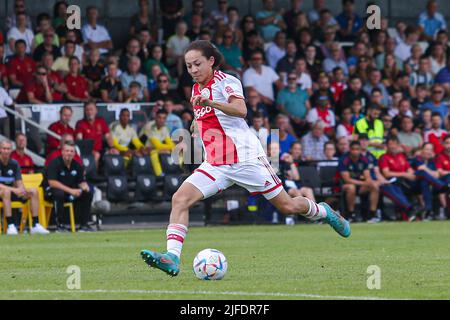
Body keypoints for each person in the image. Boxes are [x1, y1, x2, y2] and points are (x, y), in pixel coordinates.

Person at [140, 40, 351, 276]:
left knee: (288, 206)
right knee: (180, 198)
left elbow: (241, 110)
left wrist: (211, 103)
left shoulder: (227, 81)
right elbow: (203, 117)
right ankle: (172, 257)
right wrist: (195, 124)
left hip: (246, 159)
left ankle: (324, 212)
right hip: (216, 163)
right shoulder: (196, 89)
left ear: (211, 61)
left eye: (197, 64)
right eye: (189, 66)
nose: (193, 70)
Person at [43, 141, 94, 232]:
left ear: (74, 153)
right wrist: (71, 191)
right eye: (67, 151)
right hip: (51, 192)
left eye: (71, 151)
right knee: (59, 193)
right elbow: (52, 183)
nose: (69, 153)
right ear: (62, 152)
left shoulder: (77, 165)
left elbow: (80, 181)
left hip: (69, 192)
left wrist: (84, 186)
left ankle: (83, 225)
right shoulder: (54, 163)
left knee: (88, 193)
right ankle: (60, 225)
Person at [0, 140, 49, 235]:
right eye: (4, 148)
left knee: (33, 191)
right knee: (6, 191)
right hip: (2, 193)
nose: (6, 151)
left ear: (11, 150)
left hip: (12, 192)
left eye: (8, 149)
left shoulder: (14, 164)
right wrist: (15, 189)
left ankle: (35, 225)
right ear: (0, 150)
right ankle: (11, 226)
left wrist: (21, 190)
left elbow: (19, 182)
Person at [338, 140, 379, 222]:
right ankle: (351, 214)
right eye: (353, 149)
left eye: (357, 149)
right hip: (344, 185)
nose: (355, 151)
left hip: (360, 186)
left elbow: (367, 175)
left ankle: (372, 214)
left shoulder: (364, 160)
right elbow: (347, 179)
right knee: (351, 187)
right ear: (350, 149)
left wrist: (369, 181)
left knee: (374, 186)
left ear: (360, 150)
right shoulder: (344, 160)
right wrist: (363, 183)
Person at [410, 142, 448, 220]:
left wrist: (426, 169)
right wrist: (429, 172)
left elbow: (437, 175)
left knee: (425, 181)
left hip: (426, 184)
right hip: (414, 184)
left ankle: (428, 210)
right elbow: (421, 170)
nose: (429, 151)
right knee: (422, 173)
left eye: (431, 149)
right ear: (422, 150)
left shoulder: (432, 161)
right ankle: (442, 187)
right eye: (427, 149)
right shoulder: (417, 158)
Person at [75, 101, 118, 167]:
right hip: (87, 151)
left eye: (91, 109)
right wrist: (89, 151)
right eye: (87, 110)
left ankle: (114, 176)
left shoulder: (101, 121)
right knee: (96, 155)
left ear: (96, 111)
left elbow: (108, 136)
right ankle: (94, 175)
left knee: (115, 153)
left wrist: (112, 147)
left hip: (101, 149)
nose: (89, 112)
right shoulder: (80, 123)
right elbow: (79, 139)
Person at [139, 109, 175, 176]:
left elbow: (171, 144)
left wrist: (166, 149)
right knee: (154, 154)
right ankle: (159, 174)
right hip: (143, 149)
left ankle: (176, 172)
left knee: (178, 152)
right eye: (159, 117)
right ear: (155, 117)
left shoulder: (165, 128)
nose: (161, 120)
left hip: (155, 149)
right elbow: (157, 145)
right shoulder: (149, 126)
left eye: (164, 118)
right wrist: (165, 148)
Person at [435, 135, 450, 219]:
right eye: (447, 143)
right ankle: (445, 209)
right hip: (443, 181)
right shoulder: (440, 156)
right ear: (443, 144)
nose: (449, 145)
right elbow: (439, 172)